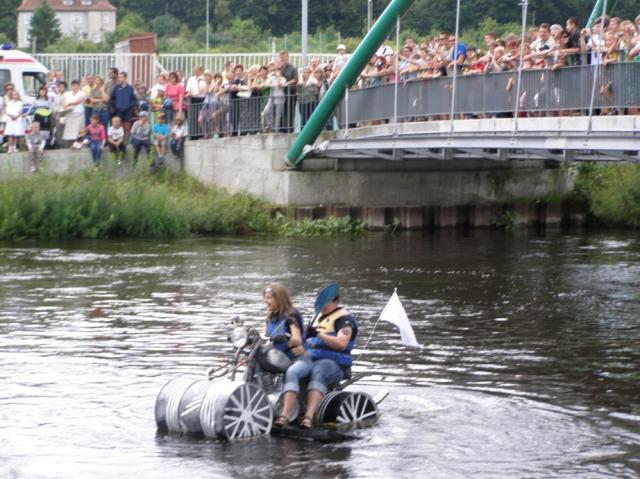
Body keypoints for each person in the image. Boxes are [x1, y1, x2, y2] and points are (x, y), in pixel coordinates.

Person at [277, 282, 358, 429]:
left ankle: (308, 416)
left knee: (318, 370)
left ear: (336, 301)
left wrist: (319, 334)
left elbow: (341, 343)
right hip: (310, 358)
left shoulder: (345, 320)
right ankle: (286, 412)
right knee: (290, 368)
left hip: (335, 364)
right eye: (321, 301)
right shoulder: (317, 318)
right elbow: (303, 340)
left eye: (327, 302)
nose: (324, 305)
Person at [109, 72, 137, 144]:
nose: (119, 79)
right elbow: (112, 98)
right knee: (119, 127)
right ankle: (119, 142)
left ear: (125, 78)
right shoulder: (116, 88)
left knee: (127, 128)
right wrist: (116, 106)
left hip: (127, 111)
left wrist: (129, 107)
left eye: (121, 77)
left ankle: (126, 142)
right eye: (119, 77)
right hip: (119, 111)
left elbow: (133, 99)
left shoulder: (130, 88)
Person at [62, 80, 86, 146]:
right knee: (69, 133)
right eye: (73, 85)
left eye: (76, 85)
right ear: (71, 86)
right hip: (69, 115)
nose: (75, 87)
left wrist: (69, 103)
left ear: (79, 86)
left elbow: (78, 101)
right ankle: (70, 148)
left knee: (79, 133)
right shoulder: (67, 93)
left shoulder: (82, 93)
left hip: (79, 115)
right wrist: (66, 106)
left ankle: (78, 147)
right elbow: (63, 103)